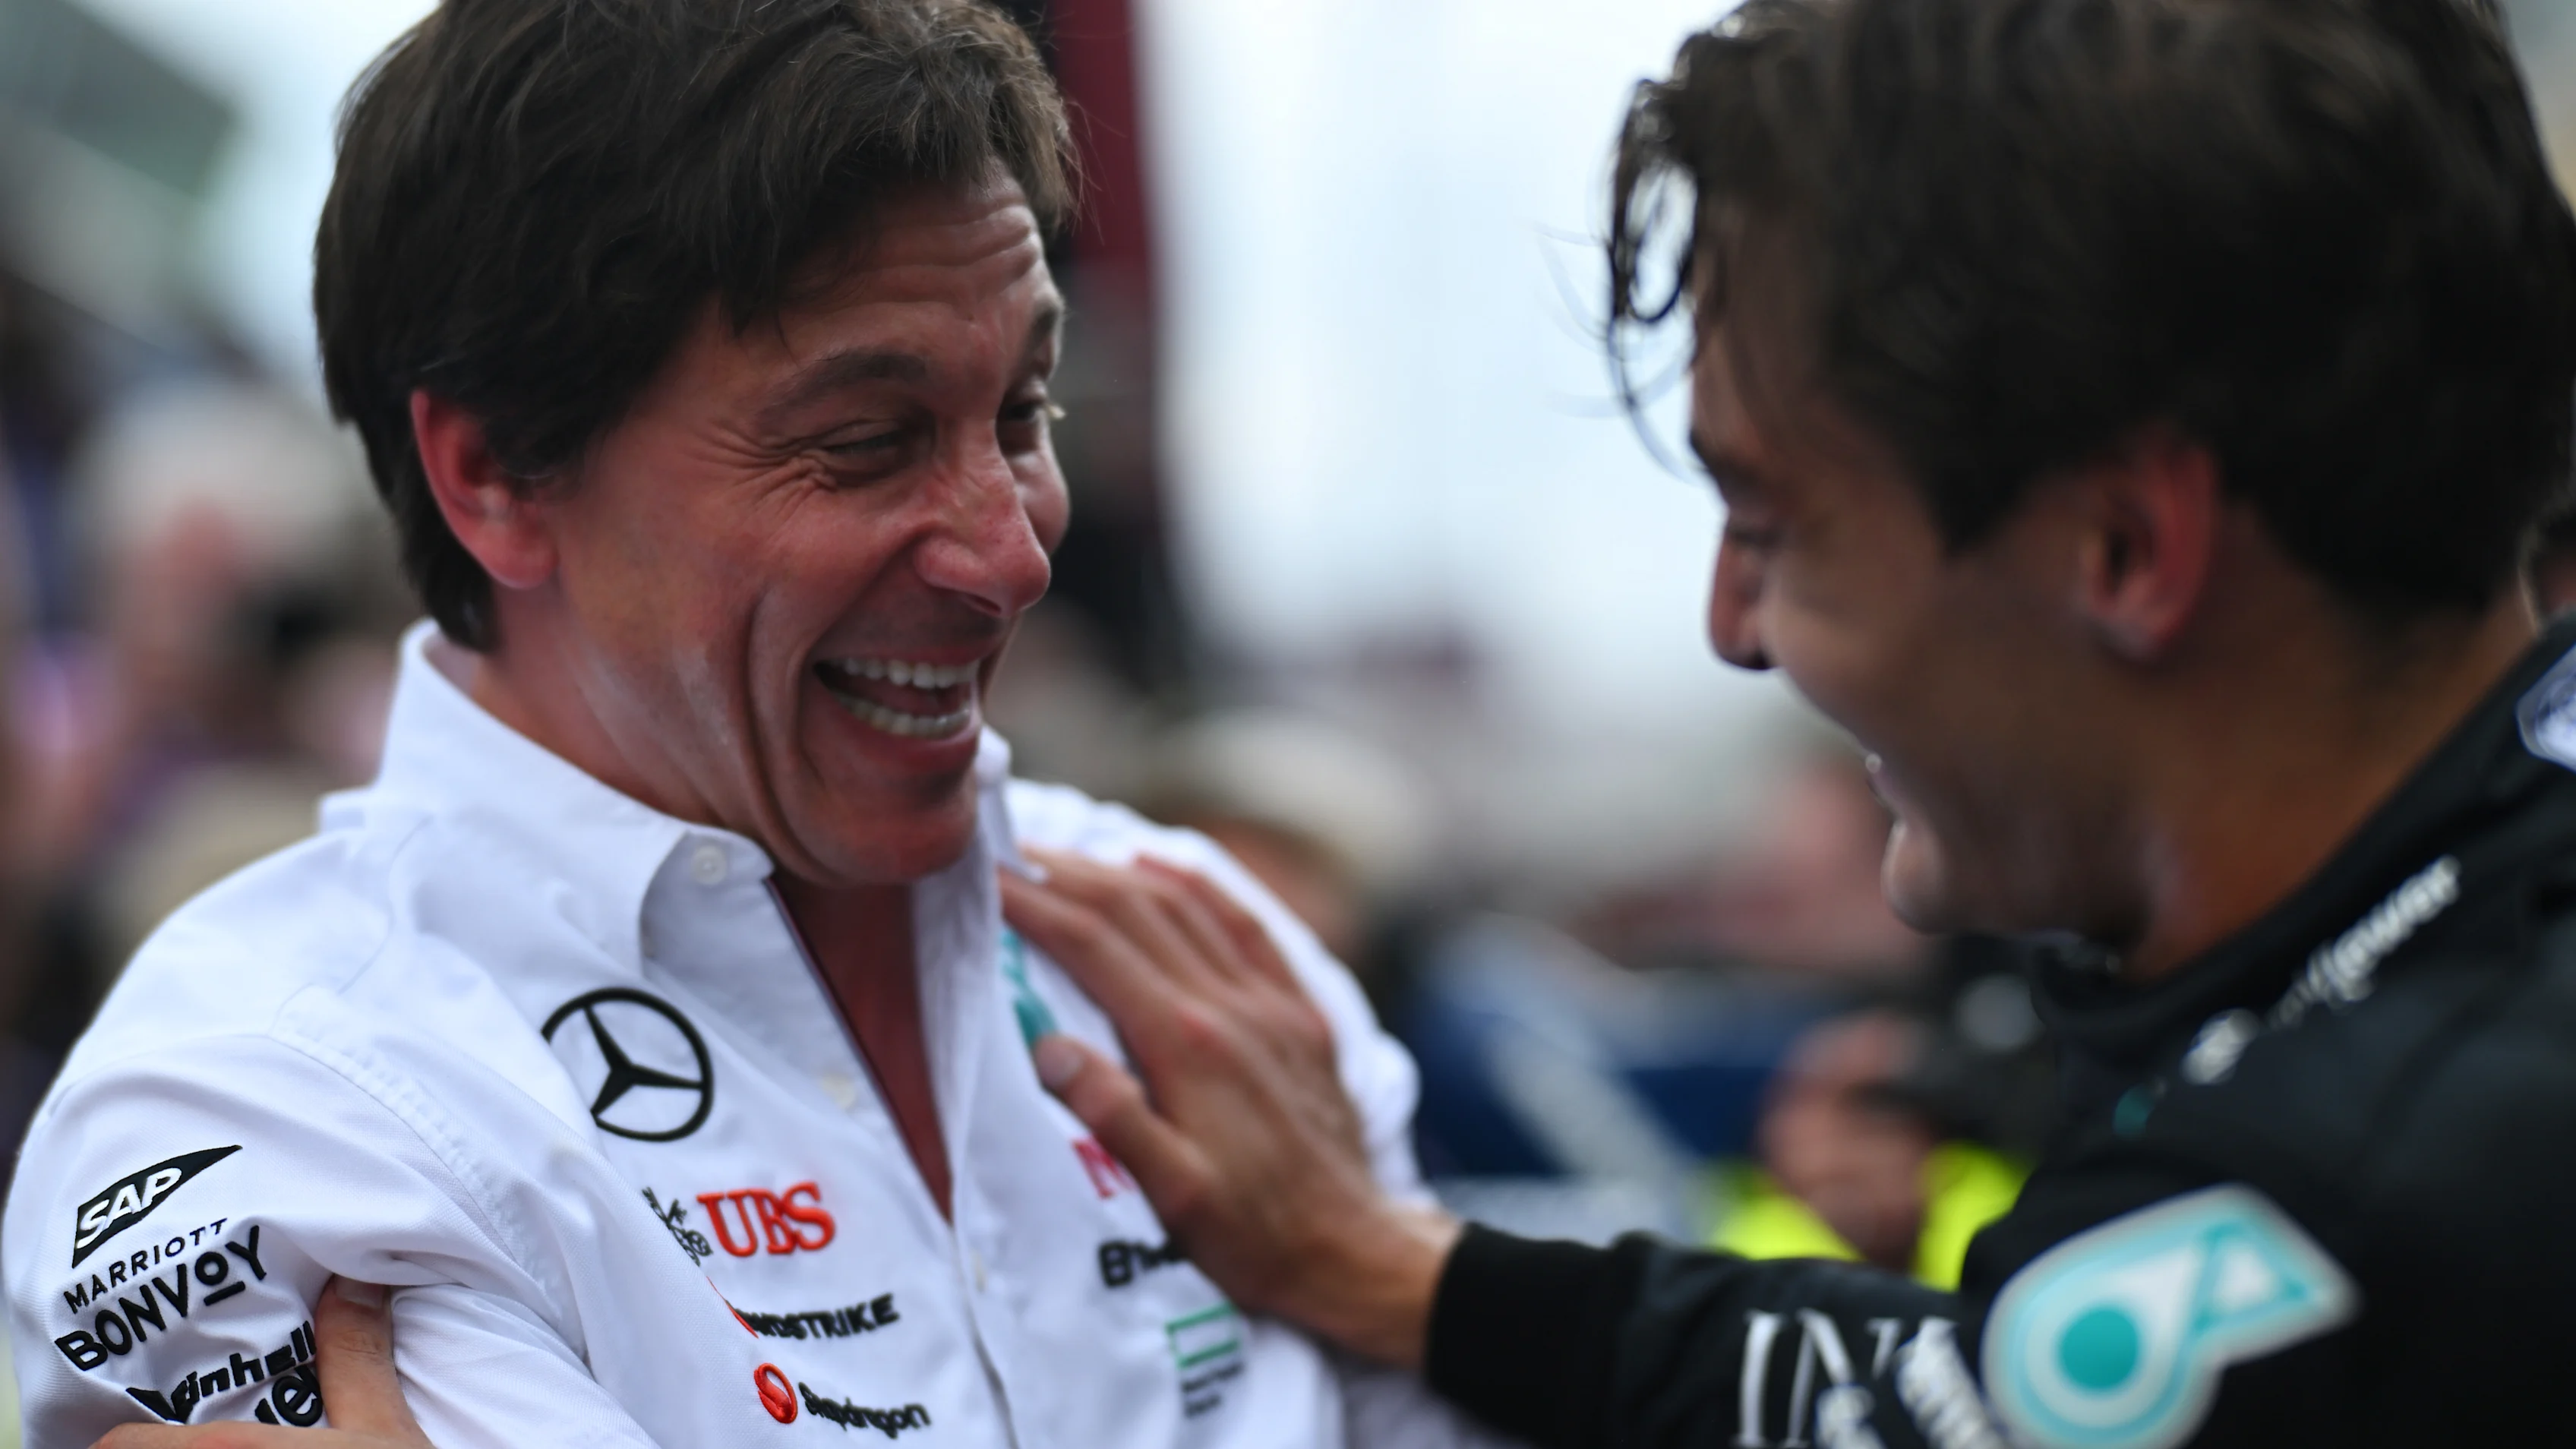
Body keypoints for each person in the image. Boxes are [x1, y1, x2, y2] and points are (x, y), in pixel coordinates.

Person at [994, 1, 2576, 1446]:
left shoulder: (2366, 1190)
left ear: (2124, 551)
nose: (1732, 626)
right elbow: (1957, 1386)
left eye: (1774, 521)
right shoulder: (2435, 974)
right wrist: (1400, 1269)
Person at [1, 3, 1498, 1445]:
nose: (1013, 550)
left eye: (1026, 415)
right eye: (866, 443)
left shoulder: (1204, 952)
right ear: (494, 470)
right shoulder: (257, 1107)